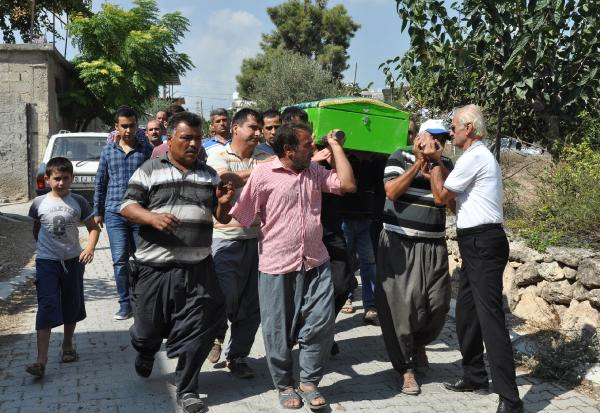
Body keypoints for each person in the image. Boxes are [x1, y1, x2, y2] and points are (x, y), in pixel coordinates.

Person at [230, 122, 355, 409]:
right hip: (276, 264)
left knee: (322, 324)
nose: (313, 147)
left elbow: (347, 184)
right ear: (289, 150)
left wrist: (336, 146)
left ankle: (309, 381)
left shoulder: (314, 172)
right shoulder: (263, 174)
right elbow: (244, 215)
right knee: (277, 329)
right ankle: (285, 384)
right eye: (308, 144)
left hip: (315, 261)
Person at [120, 111, 234, 413]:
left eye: (198, 138)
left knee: (199, 328)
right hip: (153, 269)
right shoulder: (149, 170)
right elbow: (128, 206)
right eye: (187, 138)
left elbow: (219, 217)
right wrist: (151, 217)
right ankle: (145, 351)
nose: (194, 144)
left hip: (198, 268)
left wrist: (223, 205)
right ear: (170, 139)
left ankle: (188, 389)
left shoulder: (209, 175)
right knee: (146, 330)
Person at [424, 105, 523, 413]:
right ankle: (475, 377)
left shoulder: (475, 157)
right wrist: (437, 166)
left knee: (490, 321)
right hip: (474, 241)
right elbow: (456, 206)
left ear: (469, 129)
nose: (449, 133)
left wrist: (435, 162)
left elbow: (440, 198)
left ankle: (511, 400)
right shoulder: (473, 159)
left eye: (453, 127)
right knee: (467, 313)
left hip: (483, 241)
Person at [376, 119, 454, 396]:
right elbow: (392, 191)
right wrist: (416, 164)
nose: (440, 142)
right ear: (421, 136)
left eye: (443, 138)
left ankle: (419, 343)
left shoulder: (446, 164)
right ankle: (406, 369)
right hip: (400, 241)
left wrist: (434, 165)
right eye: (435, 137)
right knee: (402, 309)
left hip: (433, 244)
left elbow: (442, 200)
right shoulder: (398, 155)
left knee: (438, 304)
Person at [205, 108, 272, 375]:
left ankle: (238, 357)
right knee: (224, 298)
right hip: (225, 238)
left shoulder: (266, 155)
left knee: (252, 304)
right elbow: (224, 180)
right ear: (235, 128)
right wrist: (263, 172)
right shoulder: (216, 155)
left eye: (259, 129)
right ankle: (215, 336)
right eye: (252, 128)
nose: (257, 133)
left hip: (260, 241)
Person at [26, 157, 101, 378]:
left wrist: (89, 248)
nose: (60, 183)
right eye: (56, 178)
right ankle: (41, 360)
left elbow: (93, 228)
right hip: (46, 263)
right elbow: (36, 228)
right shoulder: (38, 203)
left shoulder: (79, 201)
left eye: (65, 178)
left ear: (72, 178)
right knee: (47, 304)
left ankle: (68, 346)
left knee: (71, 302)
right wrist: (42, 249)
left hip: (73, 262)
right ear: (47, 179)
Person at [94, 106, 153, 320]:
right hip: (114, 213)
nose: (128, 130)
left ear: (137, 126)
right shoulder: (108, 151)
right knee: (119, 260)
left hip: (139, 212)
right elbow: (100, 181)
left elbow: (152, 180)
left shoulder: (145, 150)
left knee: (142, 258)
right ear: (116, 128)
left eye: (132, 126)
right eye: (124, 126)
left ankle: (141, 301)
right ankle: (124, 304)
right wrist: (97, 211)